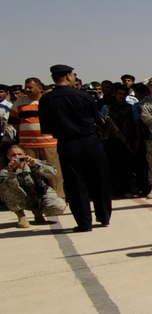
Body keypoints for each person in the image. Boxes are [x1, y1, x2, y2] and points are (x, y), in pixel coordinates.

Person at [37, 64, 113, 232]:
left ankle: (84, 222)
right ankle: (104, 216)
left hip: (67, 144)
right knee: (99, 179)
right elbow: (99, 120)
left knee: (75, 183)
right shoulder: (83, 96)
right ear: (68, 76)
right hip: (90, 141)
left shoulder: (46, 100)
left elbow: (47, 129)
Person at [8, 77, 64, 199]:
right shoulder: (18, 103)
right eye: (26, 87)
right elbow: (14, 123)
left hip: (50, 144)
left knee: (54, 174)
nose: (27, 90)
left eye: (30, 87)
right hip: (28, 145)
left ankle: (58, 198)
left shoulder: (49, 101)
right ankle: (37, 200)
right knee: (31, 174)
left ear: (39, 88)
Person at [1, 143, 66, 228]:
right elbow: (10, 188)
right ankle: (21, 215)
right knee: (5, 187)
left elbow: (53, 173)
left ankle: (38, 211)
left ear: (25, 155)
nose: (17, 157)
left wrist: (35, 165)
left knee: (58, 207)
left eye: (19, 154)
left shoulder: (33, 162)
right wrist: (12, 172)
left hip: (39, 194)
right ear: (8, 157)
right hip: (22, 198)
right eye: (13, 155)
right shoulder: (5, 171)